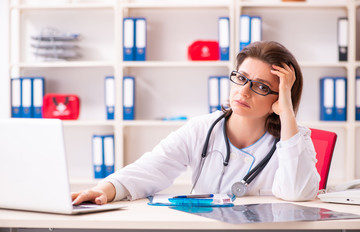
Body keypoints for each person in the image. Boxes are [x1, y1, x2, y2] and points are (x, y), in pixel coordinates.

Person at [72, 40, 320, 205]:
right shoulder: (202, 128)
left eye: (262, 87)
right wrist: (105, 189)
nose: (244, 92)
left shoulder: (293, 141)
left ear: (282, 97)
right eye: (241, 78)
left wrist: (286, 113)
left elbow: (297, 192)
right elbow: (151, 168)